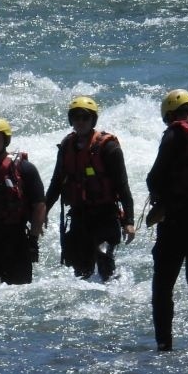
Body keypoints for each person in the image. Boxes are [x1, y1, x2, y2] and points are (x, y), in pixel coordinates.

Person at [44, 95, 135, 280]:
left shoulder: (108, 148)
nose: (80, 122)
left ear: (93, 120)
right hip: (80, 215)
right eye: (76, 117)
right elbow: (56, 183)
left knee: (104, 266)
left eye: (85, 117)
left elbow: (122, 186)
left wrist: (129, 222)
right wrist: (42, 212)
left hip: (105, 215)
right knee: (81, 271)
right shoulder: (66, 146)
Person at [146, 89, 188, 351]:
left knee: (163, 286)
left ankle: (164, 344)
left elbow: (155, 177)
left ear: (170, 114)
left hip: (176, 221)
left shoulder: (175, 133)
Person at [0, 117, 46, 284]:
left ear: (5, 140)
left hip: (15, 239)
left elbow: (39, 205)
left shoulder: (25, 169)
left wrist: (33, 240)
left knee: (18, 292)